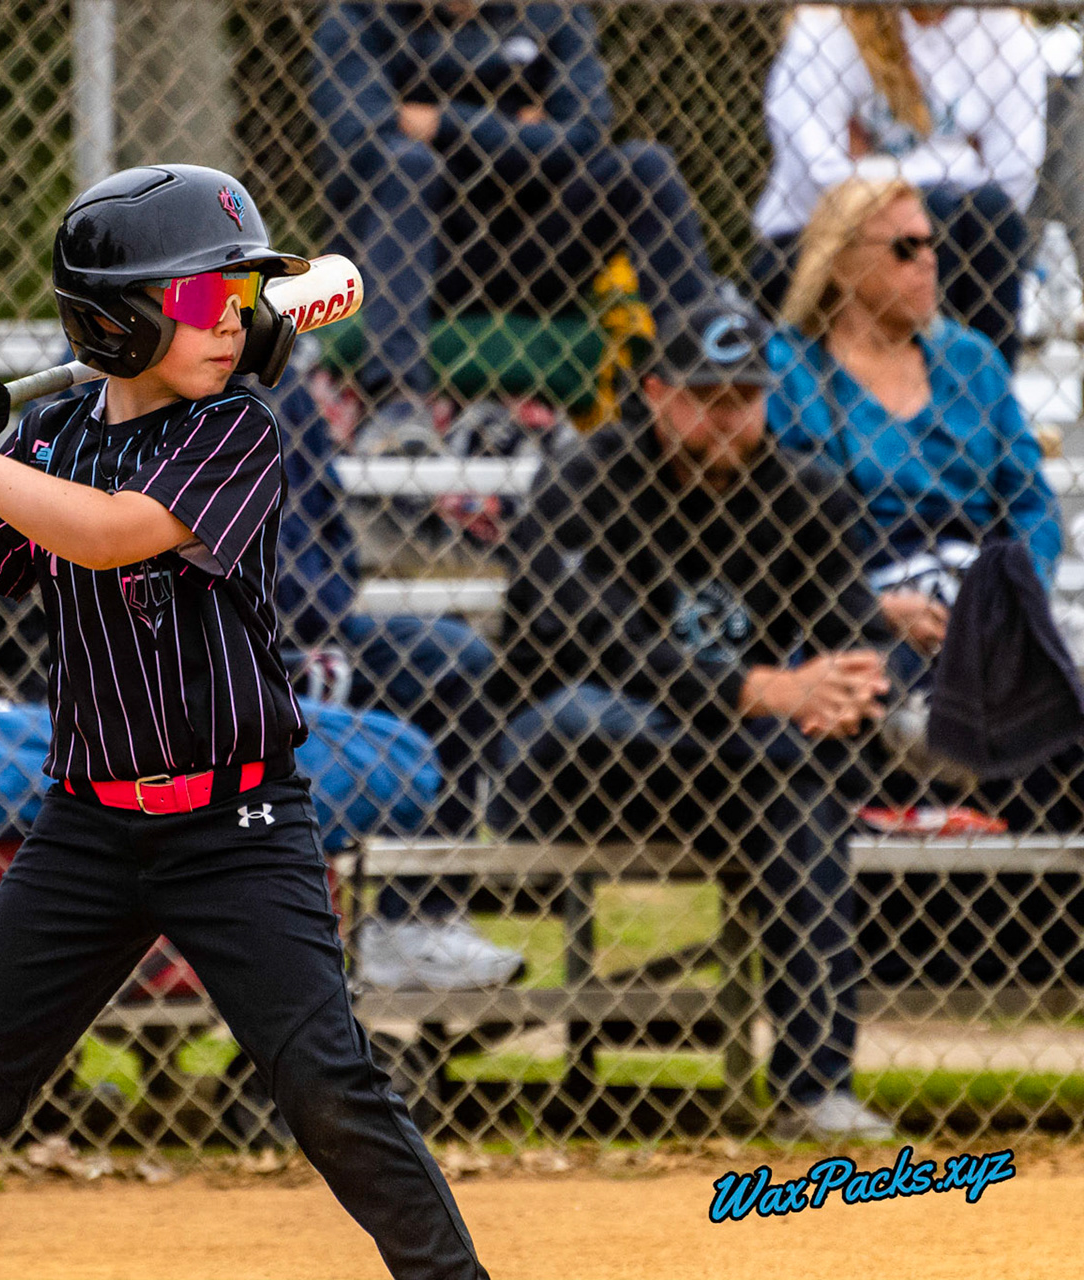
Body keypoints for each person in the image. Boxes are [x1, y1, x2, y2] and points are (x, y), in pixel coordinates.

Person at [0, 164, 489, 1279]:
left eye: (242, 299)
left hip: (236, 821)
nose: (235, 321)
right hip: (86, 830)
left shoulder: (238, 428)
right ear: (115, 322)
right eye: (204, 299)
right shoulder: (54, 441)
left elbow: (111, 533)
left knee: (325, 1085)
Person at [491, 293, 898, 1141]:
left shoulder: (803, 491)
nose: (727, 418)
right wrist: (754, 693)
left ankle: (813, 1087)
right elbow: (586, 640)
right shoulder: (586, 478)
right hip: (584, 769)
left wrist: (844, 684)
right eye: (705, 398)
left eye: (743, 399)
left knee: (797, 786)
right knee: (595, 713)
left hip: (739, 775)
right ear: (653, 392)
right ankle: (813, 1084)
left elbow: (854, 631)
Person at [768, 177, 1084, 984]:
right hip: (853, 600)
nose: (929, 263)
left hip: (977, 597)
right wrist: (870, 604)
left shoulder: (971, 361)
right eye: (904, 248)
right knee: (871, 677)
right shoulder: (788, 370)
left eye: (932, 244)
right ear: (840, 267)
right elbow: (767, 526)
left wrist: (1009, 594)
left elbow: (1029, 502)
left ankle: (1048, 947)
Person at [309, 1, 718, 438]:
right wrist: (522, 131)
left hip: (530, 255)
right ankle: (397, 410)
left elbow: (584, 138)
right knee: (406, 164)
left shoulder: (551, 13)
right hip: (406, 259)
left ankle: (708, 374)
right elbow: (360, 143)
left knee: (647, 168)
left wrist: (444, 122)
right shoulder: (358, 16)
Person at [269, 364, 524, 990]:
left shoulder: (269, 371)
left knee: (453, 660)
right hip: (205, 641)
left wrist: (323, 607)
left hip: (316, 630)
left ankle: (417, 922)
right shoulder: (127, 376)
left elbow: (328, 517)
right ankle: (288, 941)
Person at [752, 5, 1046, 366]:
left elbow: (1014, 174)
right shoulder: (825, 25)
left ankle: (989, 403)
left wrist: (870, 164)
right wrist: (961, 156)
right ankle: (920, 400)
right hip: (815, 243)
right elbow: (821, 176)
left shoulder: (1004, 30)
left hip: (963, 231)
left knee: (990, 213)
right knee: (929, 212)